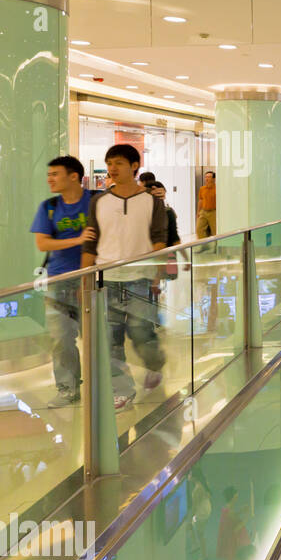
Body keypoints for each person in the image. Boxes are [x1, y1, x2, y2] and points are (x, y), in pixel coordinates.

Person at [80, 143, 168, 411]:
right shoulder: (99, 201)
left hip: (140, 278)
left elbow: (159, 241)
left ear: (134, 166)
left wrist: (157, 274)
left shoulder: (152, 203)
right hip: (106, 279)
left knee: (141, 332)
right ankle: (122, 390)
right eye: (109, 164)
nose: (112, 169)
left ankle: (154, 364)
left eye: (118, 163)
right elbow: (90, 244)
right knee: (109, 339)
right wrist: (85, 279)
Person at [30, 156, 93, 407]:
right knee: (61, 338)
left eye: (55, 174)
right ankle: (67, 388)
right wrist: (77, 240)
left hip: (93, 280)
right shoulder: (49, 206)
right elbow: (43, 243)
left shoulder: (96, 202)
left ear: (74, 176)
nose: (49, 179)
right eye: (49, 174)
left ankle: (107, 386)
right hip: (58, 280)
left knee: (103, 337)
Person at [196, 170, 217, 238]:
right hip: (203, 211)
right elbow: (200, 200)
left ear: (213, 178)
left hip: (213, 212)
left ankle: (215, 245)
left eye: (209, 177)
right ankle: (204, 245)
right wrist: (198, 212)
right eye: (206, 177)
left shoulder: (217, 188)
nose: (207, 179)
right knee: (199, 229)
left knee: (215, 231)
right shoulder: (202, 189)